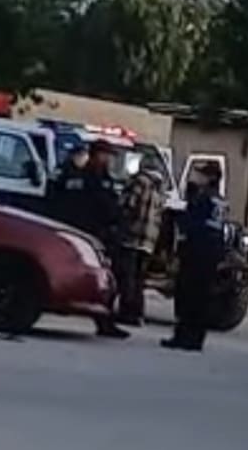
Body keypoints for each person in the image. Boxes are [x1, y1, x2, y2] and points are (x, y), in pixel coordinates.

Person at [162, 162, 226, 352]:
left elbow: (191, 223)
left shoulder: (203, 198)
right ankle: (193, 337)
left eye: (203, 174)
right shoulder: (219, 199)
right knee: (200, 295)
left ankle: (186, 336)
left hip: (198, 250)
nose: (198, 177)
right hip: (211, 251)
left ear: (212, 177)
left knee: (189, 294)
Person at [74, 139, 129, 340]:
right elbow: (99, 205)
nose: (108, 159)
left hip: (105, 233)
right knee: (107, 277)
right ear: (97, 154)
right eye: (106, 155)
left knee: (113, 278)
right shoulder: (90, 176)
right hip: (95, 233)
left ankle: (105, 320)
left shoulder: (102, 175)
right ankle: (104, 321)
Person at [115, 161, 165, 325]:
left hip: (132, 236)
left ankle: (127, 312)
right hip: (148, 241)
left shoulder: (138, 181)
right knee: (139, 278)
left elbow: (127, 204)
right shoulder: (159, 187)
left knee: (127, 275)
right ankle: (137, 312)